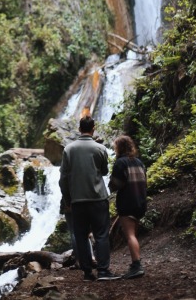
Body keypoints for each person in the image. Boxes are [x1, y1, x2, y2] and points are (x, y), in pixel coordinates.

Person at [59, 115, 120, 281]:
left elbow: (63, 178)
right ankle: (103, 271)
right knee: (101, 234)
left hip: (77, 201)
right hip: (98, 198)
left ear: (79, 129)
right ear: (93, 129)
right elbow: (105, 172)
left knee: (80, 235)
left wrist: (67, 199)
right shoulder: (100, 149)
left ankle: (87, 273)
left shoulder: (69, 150)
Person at [109, 135, 147, 279]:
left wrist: (110, 184)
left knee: (130, 235)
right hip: (140, 201)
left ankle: (136, 265)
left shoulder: (120, 163)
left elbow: (116, 185)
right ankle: (135, 263)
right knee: (134, 235)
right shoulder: (139, 162)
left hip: (127, 202)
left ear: (119, 147)